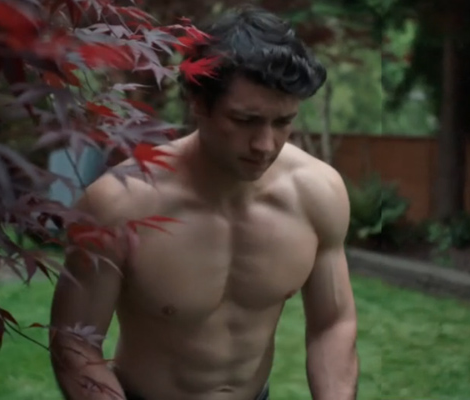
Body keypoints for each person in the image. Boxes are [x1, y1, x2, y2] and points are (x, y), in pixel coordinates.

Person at [49, 5, 359, 400]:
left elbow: (333, 323)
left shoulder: (317, 193)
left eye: (283, 122)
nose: (265, 145)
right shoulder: (120, 204)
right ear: (197, 102)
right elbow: (74, 342)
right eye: (244, 120)